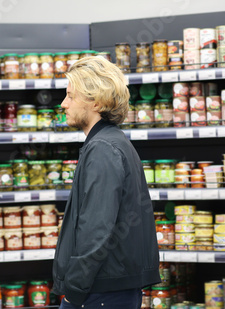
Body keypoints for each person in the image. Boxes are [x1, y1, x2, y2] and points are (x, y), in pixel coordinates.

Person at [52, 56, 160, 308]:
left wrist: (74, 291)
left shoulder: (102, 148)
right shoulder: (114, 142)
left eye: (70, 96)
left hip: (99, 293)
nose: (63, 104)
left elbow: (95, 228)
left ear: (96, 101)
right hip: (112, 288)